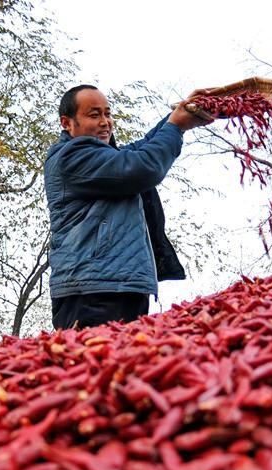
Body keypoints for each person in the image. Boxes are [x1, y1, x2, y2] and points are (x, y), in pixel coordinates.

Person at [44, 85, 213, 329]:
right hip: (93, 290)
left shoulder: (105, 156)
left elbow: (143, 147)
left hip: (119, 285)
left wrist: (180, 113)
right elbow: (142, 167)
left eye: (107, 114)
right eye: (94, 115)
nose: (105, 122)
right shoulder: (71, 157)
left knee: (126, 364)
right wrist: (175, 126)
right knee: (95, 362)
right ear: (67, 123)